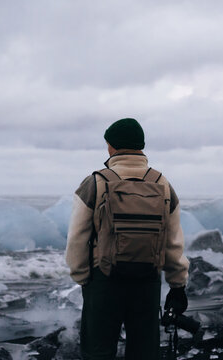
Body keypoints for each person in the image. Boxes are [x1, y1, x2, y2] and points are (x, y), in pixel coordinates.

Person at [66, 118, 189, 359]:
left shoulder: (96, 182)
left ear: (111, 146)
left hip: (104, 279)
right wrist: (177, 284)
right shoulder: (162, 184)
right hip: (147, 280)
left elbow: (77, 237)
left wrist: (82, 277)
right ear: (140, 146)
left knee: (98, 351)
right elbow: (173, 242)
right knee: (144, 351)